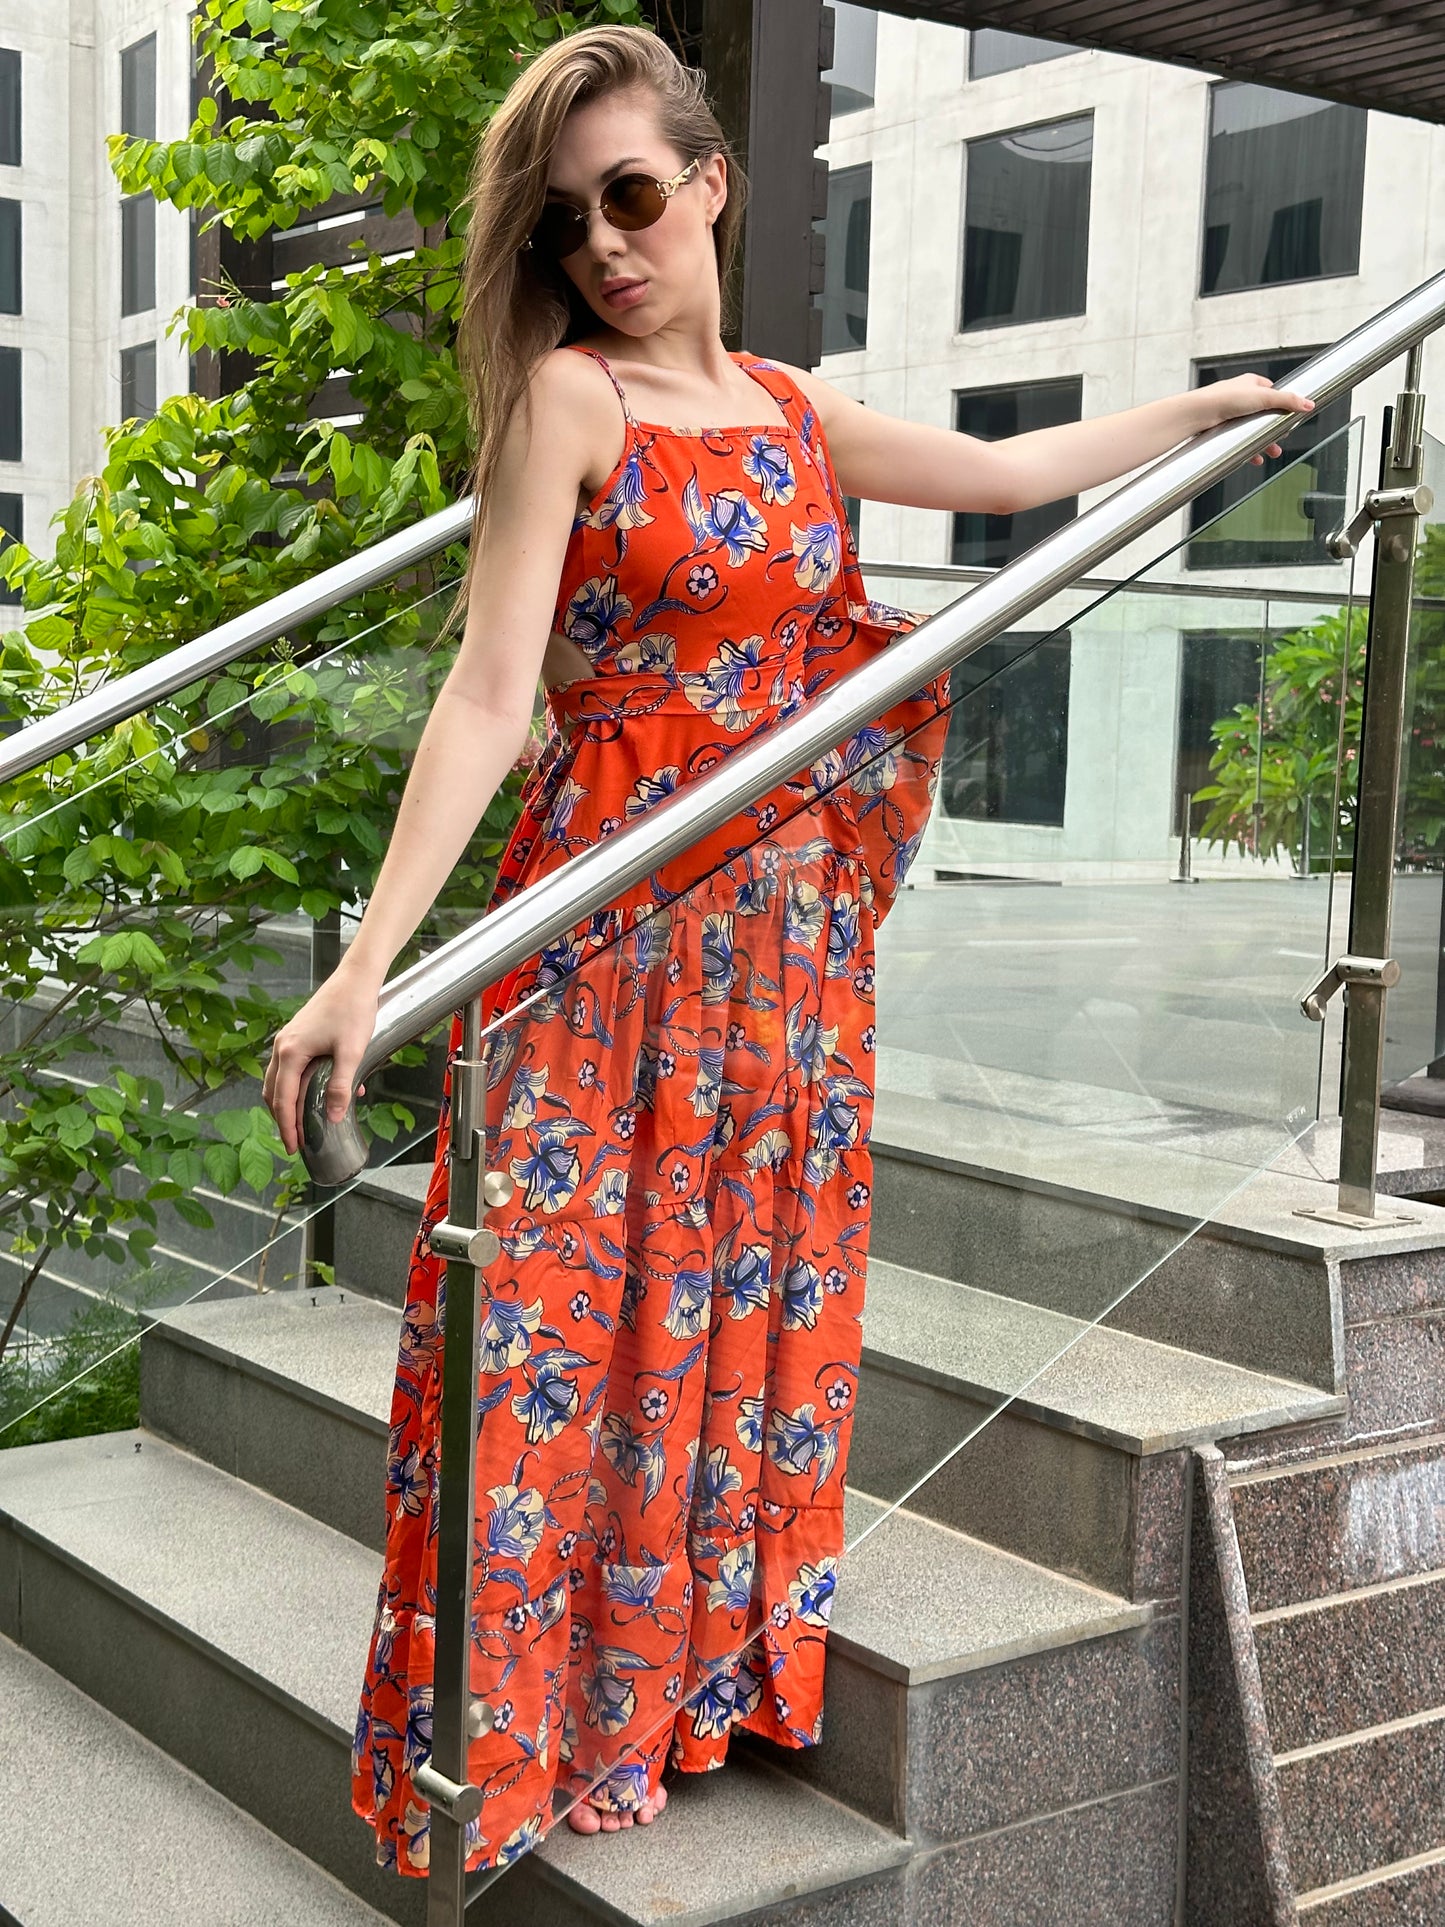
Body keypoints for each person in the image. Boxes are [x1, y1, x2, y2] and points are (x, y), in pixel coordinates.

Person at [260, 21, 1313, 1883]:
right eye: (567, 220)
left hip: (777, 949)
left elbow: (1004, 470)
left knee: (734, 1303)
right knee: (563, 1318)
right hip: (606, 924)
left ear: (710, 184)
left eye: (635, 195)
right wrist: (367, 967)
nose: (602, 242)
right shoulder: (569, 406)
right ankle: (518, 1738)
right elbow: (491, 691)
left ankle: (690, 1691)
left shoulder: (790, 404)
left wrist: (1202, 411)